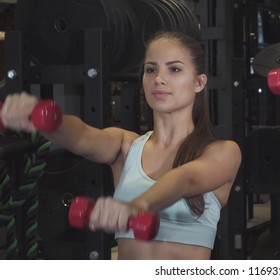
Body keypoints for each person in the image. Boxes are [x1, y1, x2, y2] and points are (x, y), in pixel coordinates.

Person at [0, 31, 242, 260]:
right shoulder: (126, 147)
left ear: (199, 83)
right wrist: (45, 119)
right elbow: (82, 136)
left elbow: (186, 179)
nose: (159, 79)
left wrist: (139, 206)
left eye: (174, 69)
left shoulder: (223, 151)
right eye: (150, 70)